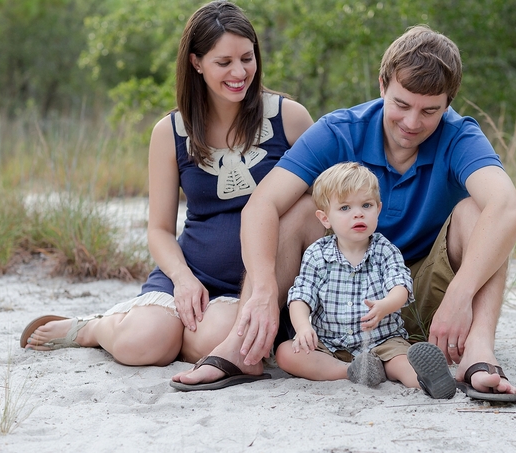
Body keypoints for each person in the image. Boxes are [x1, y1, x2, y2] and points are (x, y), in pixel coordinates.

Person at [174, 25, 516, 402]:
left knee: (482, 212)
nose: (412, 123)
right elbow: (263, 203)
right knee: (305, 208)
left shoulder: (460, 136)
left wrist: (460, 293)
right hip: (344, 296)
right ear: (382, 85)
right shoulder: (340, 130)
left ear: (449, 102)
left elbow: (508, 209)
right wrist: (261, 289)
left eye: (430, 111)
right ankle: (242, 347)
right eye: (401, 105)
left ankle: (477, 351)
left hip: (425, 296)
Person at [19, 0, 314, 386]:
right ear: (196, 62)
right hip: (189, 273)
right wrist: (184, 279)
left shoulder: (288, 118)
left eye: (247, 57)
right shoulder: (170, 132)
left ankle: (178, 333)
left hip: (254, 286)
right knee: (143, 344)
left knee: (225, 341)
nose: (239, 72)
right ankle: (93, 328)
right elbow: (158, 229)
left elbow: (319, 207)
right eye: (223, 62)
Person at [275, 162, 448, 394]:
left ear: (377, 209)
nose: (358, 213)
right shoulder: (317, 254)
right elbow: (301, 297)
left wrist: (386, 305)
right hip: (329, 344)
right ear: (325, 218)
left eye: (366, 205)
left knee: (399, 360)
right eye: (345, 208)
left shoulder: (385, 250)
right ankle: (350, 371)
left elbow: (401, 286)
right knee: (286, 353)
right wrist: (303, 327)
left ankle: (427, 379)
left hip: (382, 340)